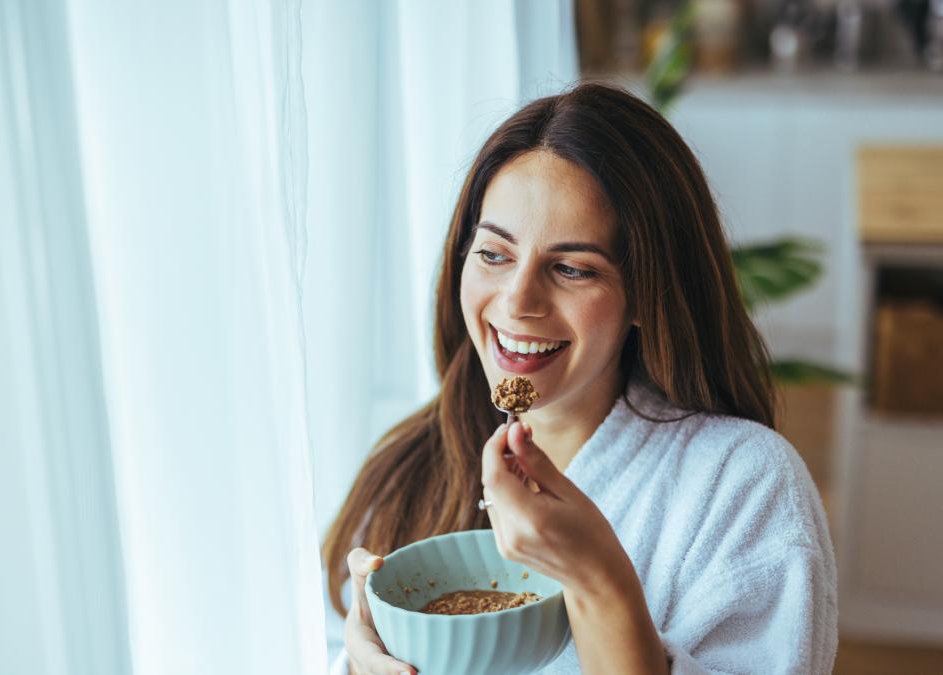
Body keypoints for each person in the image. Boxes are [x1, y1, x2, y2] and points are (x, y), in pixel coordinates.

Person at [320, 82, 837, 674]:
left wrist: (598, 578)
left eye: (570, 268)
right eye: (493, 254)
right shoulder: (412, 467)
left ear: (648, 293)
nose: (517, 301)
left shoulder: (743, 485)